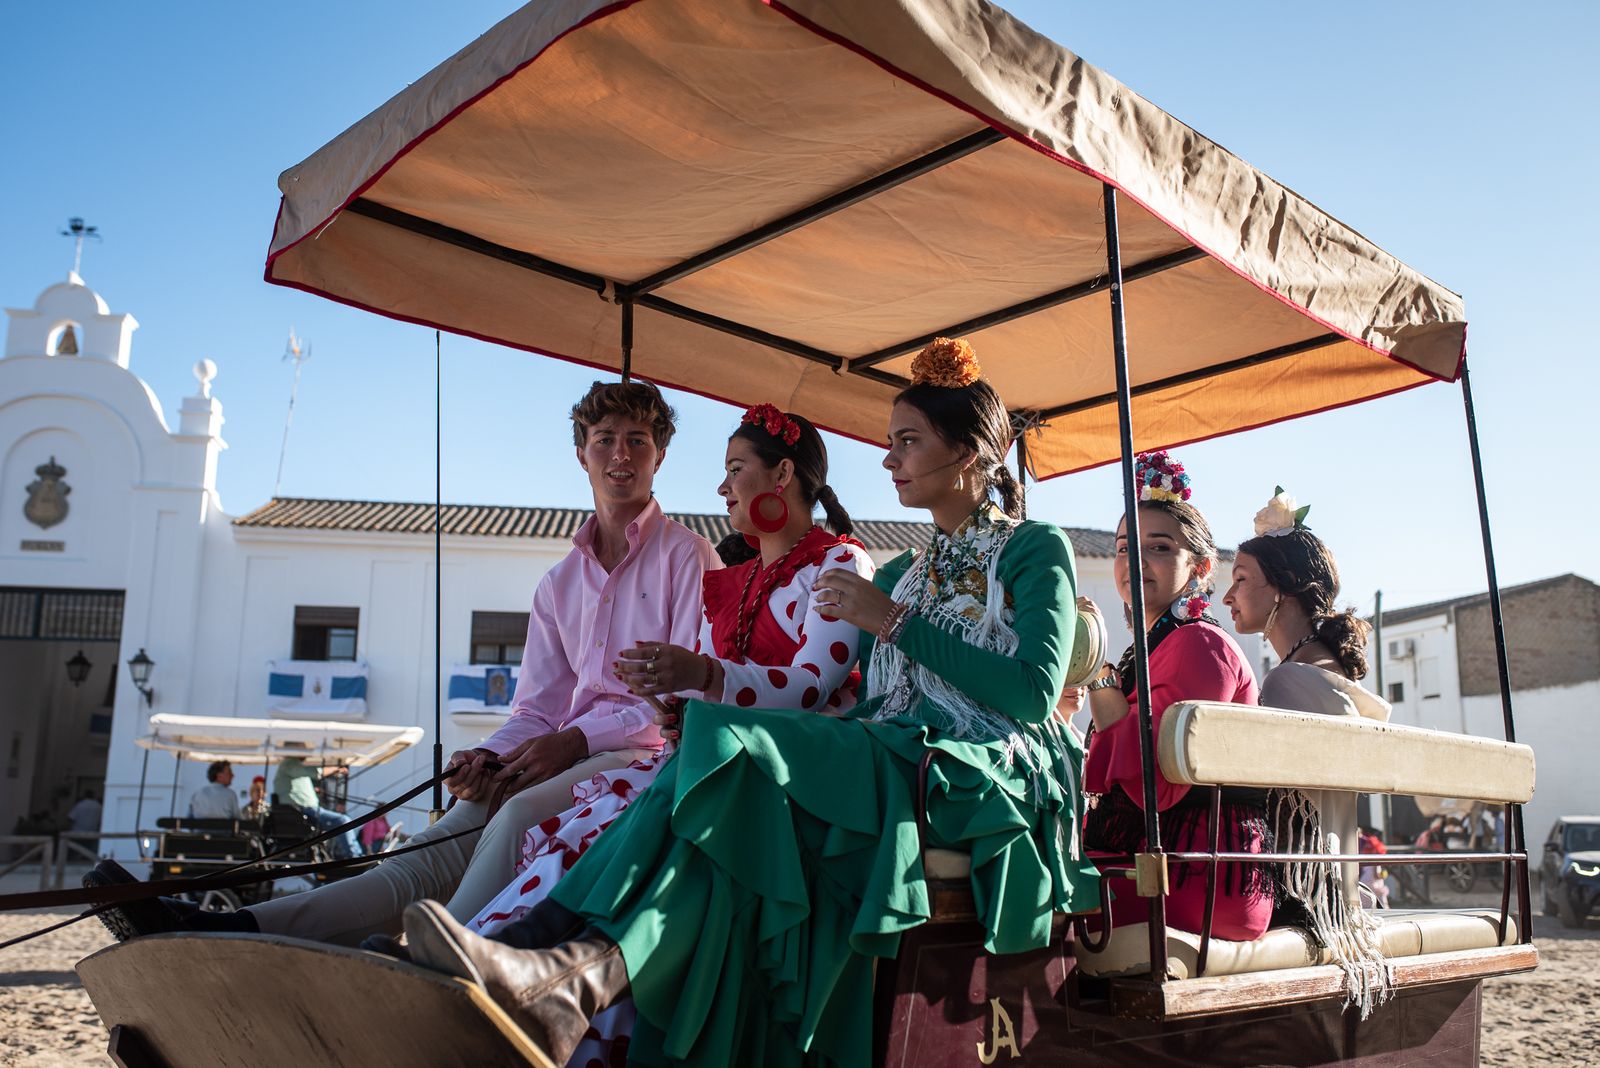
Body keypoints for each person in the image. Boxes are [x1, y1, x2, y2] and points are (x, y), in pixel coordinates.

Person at [397, 337, 1100, 1068]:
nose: (888, 459)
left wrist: (888, 624)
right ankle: (547, 962)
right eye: (891, 442)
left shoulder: (1030, 548)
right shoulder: (902, 573)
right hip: (888, 753)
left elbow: (1032, 694)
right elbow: (874, 704)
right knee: (708, 761)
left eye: (908, 441)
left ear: (970, 453)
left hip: (975, 770)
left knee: (724, 747)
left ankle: (552, 967)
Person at [89, 380, 719, 946]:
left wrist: (575, 741)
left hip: (641, 760)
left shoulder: (688, 557)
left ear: (659, 455)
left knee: (518, 816)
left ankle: (439, 961)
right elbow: (536, 709)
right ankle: (230, 928)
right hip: (557, 756)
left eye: (637, 441)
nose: (620, 455)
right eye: (604, 439)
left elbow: (685, 699)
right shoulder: (558, 583)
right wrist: (485, 757)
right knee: (422, 852)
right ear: (581, 453)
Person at [465, 404, 871, 1066]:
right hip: (720, 759)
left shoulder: (840, 563)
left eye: (735, 470)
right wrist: (677, 707)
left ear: (782, 475)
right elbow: (708, 693)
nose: (722, 488)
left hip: (790, 770)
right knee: (585, 825)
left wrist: (702, 677)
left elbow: (810, 688)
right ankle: (499, 953)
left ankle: (530, 958)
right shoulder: (735, 583)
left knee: (609, 814)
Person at [1082, 450, 1272, 942]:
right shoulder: (1154, 648)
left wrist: (1092, 667)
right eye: (1124, 548)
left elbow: (1156, 784)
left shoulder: (1200, 644)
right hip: (1158, 861)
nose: (1135, 561)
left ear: (1200, 566)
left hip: (1195, 874)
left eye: (1160, 547)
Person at [1224, 487, 1393, 1011]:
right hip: (1341, 889)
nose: (1227, 596)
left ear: (1283, 589)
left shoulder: (1287, 682)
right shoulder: (1330, 673)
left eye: (1241, 579)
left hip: (1304, 894)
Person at [272, 753, 359, 859]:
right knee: (343, 821)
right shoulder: (290, 763)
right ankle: (354, 856)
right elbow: (316, 772)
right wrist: (335, 769)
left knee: (342, 821)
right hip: (304, 812)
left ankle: (351, 855)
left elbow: (297, 785)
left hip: (303, 811)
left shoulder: (290, 766)